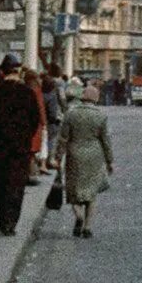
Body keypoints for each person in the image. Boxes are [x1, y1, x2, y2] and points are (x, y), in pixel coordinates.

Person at [0, 55, 42, 235]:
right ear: (17, 71)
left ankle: (3, 220)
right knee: (17, 185)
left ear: (3, 71)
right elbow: (35, 119)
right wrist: (25, 137)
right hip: (20, 147)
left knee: (2, 183)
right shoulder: (27, 93)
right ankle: (12, 222)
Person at [53, 82, 114, 238]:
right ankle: (87, 227)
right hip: (94, 155)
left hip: (74, 153)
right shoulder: (100, 116)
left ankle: (78, 215)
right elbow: (105, 140)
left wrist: (57, 158)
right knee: (91, 193)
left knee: (73, 190)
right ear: (96, 99)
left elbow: (63, 138)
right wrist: (110, 161)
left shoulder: (71, 114)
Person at [42, 65, 65, 171]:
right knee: (54, 137)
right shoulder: (59, 83)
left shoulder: (44, 83)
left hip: (46, 114)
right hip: (55, 112)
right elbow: (62, 97)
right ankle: (50, 158)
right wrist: (65, 109)